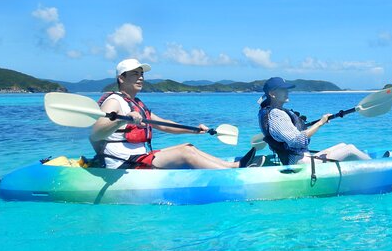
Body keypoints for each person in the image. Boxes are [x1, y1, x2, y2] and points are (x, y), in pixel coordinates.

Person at [90, 58, 256, 169]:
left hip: (140, 157)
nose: (140, 78)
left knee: (187, 146)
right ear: (121, 78)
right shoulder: (114, 101)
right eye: (135, 74)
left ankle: (233, 166)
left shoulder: (137, 103)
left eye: (141, 74)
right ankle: (231, 174)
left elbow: (164, 124)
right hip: (124, 164)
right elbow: (96, 134)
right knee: (185, 154)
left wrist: (194, 130)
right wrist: (120, 121)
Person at [258, 77, 371, 165]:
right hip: (300, 163)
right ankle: (375, 166)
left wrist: (310, 125)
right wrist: (320, 123)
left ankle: (362, 166)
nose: (287, 92)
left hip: (300, 158)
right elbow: (298, 141)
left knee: (343, 145)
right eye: (283, 89)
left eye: (287, 89)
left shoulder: (272, 112)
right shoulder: (276, 114)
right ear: (272, 94)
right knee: (350, 149)